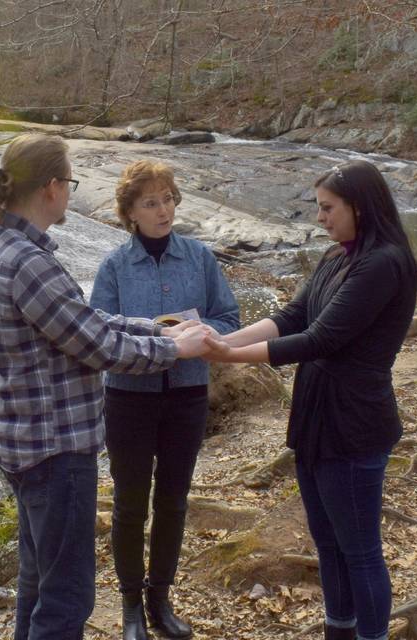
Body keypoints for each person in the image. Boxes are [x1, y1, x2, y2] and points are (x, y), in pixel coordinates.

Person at [0, 134, 215, 640]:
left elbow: (85, 319)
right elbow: (99, 347)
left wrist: (158, 331)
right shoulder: (29, 261)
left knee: (38, 583)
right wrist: (175, 348)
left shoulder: (1, 245)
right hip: (54, 450)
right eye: (70, 183)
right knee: (67, 598)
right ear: (52, 188)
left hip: (23, 442)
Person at [200, 160, 417, 640]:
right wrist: (222, 344)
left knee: (360, 550)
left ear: (359, 208)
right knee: (327, 542)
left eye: (327, 208)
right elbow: (291, 316)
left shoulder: (383, 263)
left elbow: (320, 339)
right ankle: (337, 630)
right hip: (317, 420)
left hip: (355, 423)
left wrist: (230, 356)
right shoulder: (337, 257)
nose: (320, 218)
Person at [89, 160, 240, 640]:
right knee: (132, 503)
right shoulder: (113, 266)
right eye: (151, 202)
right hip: (129, 401)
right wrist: (157, 344)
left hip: (189, 395)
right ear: (130, 212)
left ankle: (161, 600)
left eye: (169, 198)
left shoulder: (199, 258)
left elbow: (231, 320)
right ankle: (130, 605)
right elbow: (98, 337)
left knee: (174, 501)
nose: (163, 209)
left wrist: (207, 333)